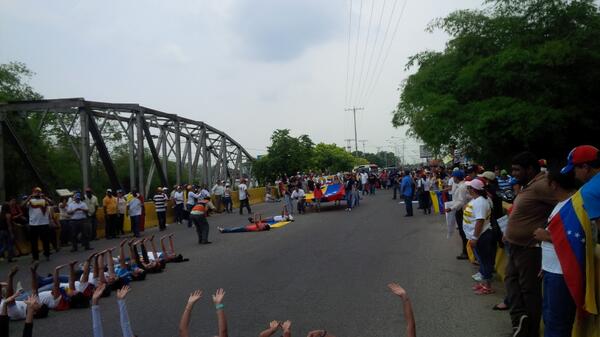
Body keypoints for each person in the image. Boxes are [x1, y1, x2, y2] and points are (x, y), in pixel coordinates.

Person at [504, 152, 557, 337]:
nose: (513, 173)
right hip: (515, 245)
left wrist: (549, 231)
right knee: (511, 281)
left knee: (529, 290)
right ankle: (520, 320)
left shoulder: (543, 184)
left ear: (531, 169)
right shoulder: (531, 185)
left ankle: (530, 330)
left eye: (517, 169)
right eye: (512, 169)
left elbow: (567, 202)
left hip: (529, 248)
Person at [531, 169, 578, 337]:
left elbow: (577, 239)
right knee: (550, 317)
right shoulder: (561, 203)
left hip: (562, 273)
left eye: (546, 181)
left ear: (554, 184)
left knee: (557, 322)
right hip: (552, 269)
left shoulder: (574, 205)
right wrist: (546, 265)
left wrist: (546, 236)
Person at [463, 178, 495, 295]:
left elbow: (480, 221)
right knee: (482, 261)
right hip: (477, 236)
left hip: (481, 236)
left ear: (474, 189)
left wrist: (475, 238)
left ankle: (488, 286)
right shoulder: (477, 200)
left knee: (485, 261)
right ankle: (483, 283)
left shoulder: (480, 202)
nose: (468, 189)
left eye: (469, 187)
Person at [23, 187, 53, 261]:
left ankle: (47, 255)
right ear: (33, 192)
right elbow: (22, 205)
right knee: (34, 242)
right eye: (36, 192)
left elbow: (52, 203)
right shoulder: (30, 201)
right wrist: (30, 197)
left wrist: (45, 197)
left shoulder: (44, 200)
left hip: (44, 223)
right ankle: (35, 257)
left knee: (45, 241)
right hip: (33, 224)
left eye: (39, 192)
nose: (37, 193)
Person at [446, 170, 470, 260]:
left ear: (456, 177)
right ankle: (466, 251)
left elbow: (461, 201)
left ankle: (466, 252)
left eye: (453, 177)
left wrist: (451, 208)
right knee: (462, 231)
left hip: (461, 211)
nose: (453, 178)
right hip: (461, 210)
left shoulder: (461, 187)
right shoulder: (460, 185)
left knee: (463, 232)